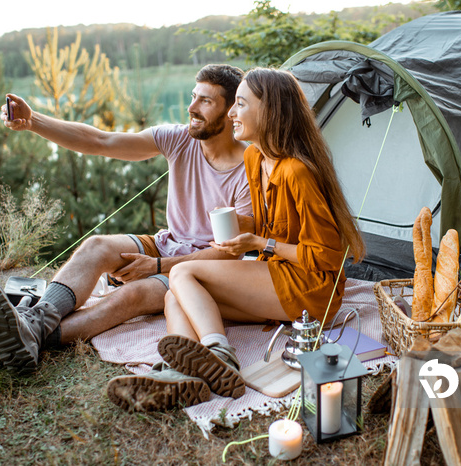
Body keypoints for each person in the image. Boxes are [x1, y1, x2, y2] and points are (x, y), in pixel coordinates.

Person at [0, 64, 253, 371]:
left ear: (230, 112)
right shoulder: (178, 139)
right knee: (96, 246)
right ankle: (32, 325)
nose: (191, 107)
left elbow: (229, 255)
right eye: (193, 96)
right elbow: (100, 141)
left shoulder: (250, 169)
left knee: (131, 294)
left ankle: (3, 340)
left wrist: (158, 267)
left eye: (206, 101)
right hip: (167, 243)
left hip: (197, 271)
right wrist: (33, 121)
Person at [106, 67, 365, 410]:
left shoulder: (297, 171)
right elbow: (266, 223)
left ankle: (220, 356)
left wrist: (260, 245)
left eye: (240, 104)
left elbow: (328, 257)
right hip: (276, 277)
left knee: (182, 273)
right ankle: (181, 374)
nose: (231, 114)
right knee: (175, 297)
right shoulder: (254, 157)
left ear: (268, 111)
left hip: (311, 289)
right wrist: (236, 225)